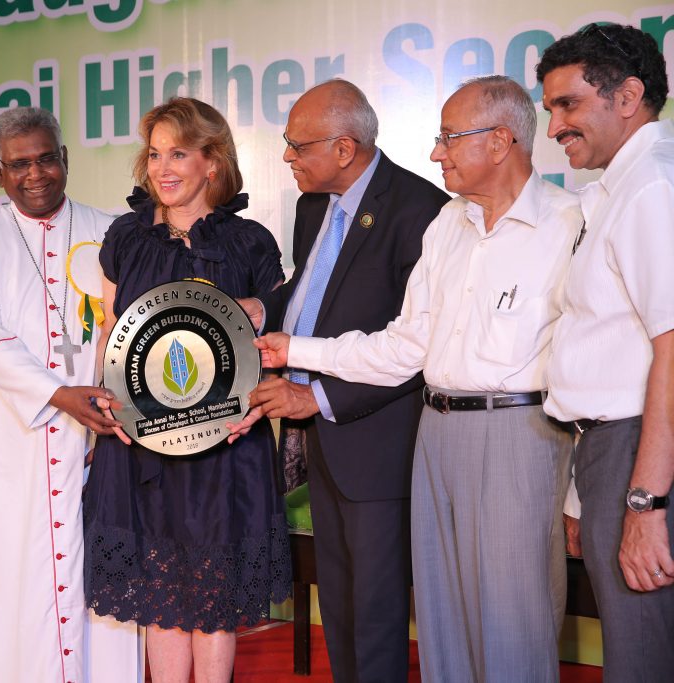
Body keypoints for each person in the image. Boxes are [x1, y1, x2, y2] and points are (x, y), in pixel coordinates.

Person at [249, 76, 583, 682]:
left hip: (520, 433)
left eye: (451, 138)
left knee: (514, 623)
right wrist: (294, 346)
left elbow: (587, 360)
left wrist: (577, 491)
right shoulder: (448, 225)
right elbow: (404, 347)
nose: (436, 152)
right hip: (435, 433)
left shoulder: (568, 223)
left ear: (503, 140)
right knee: (441, 623)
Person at [230, 79, 448, 683]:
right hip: (319, 438)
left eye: (298, 146)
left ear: (345, 148)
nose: (286, 157)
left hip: (375, 438)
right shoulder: (312, 205)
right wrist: (263, 307)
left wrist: (318, 394)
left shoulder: (418, 211)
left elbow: (413, 348)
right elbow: (315, 292)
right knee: (342, 605)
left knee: (377, 610)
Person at [83, 97, 290, 683]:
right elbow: (110, 330)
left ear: (213, 162)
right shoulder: (124, 237)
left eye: (178, 152)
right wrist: (107, 406)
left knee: (212, 597)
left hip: (224, 444)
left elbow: (272, 342)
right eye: (154, 154)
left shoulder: (250, 243)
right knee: (158, 594)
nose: (163, 167)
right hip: (139, 441)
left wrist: (260, 405)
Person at [0, 107, 140, 683]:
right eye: (20, 163)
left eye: (47, 158)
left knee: (103, 593)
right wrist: (59, 394)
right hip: (9, 443)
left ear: (65, 159)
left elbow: (132, 330)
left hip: (103, 437)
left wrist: (105, 400)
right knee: (12, 585)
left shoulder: (114, 232)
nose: (36, 174)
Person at [537, 24, 674, 680]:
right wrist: (580, 499)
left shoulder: (651, 187)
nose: (555, 126)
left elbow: (672, 348)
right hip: (610, 455)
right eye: (549, 110)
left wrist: (646, 504)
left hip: (638, 456)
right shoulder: (619, 189)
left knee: (641, 654)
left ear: (628, 98)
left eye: (568, 105)